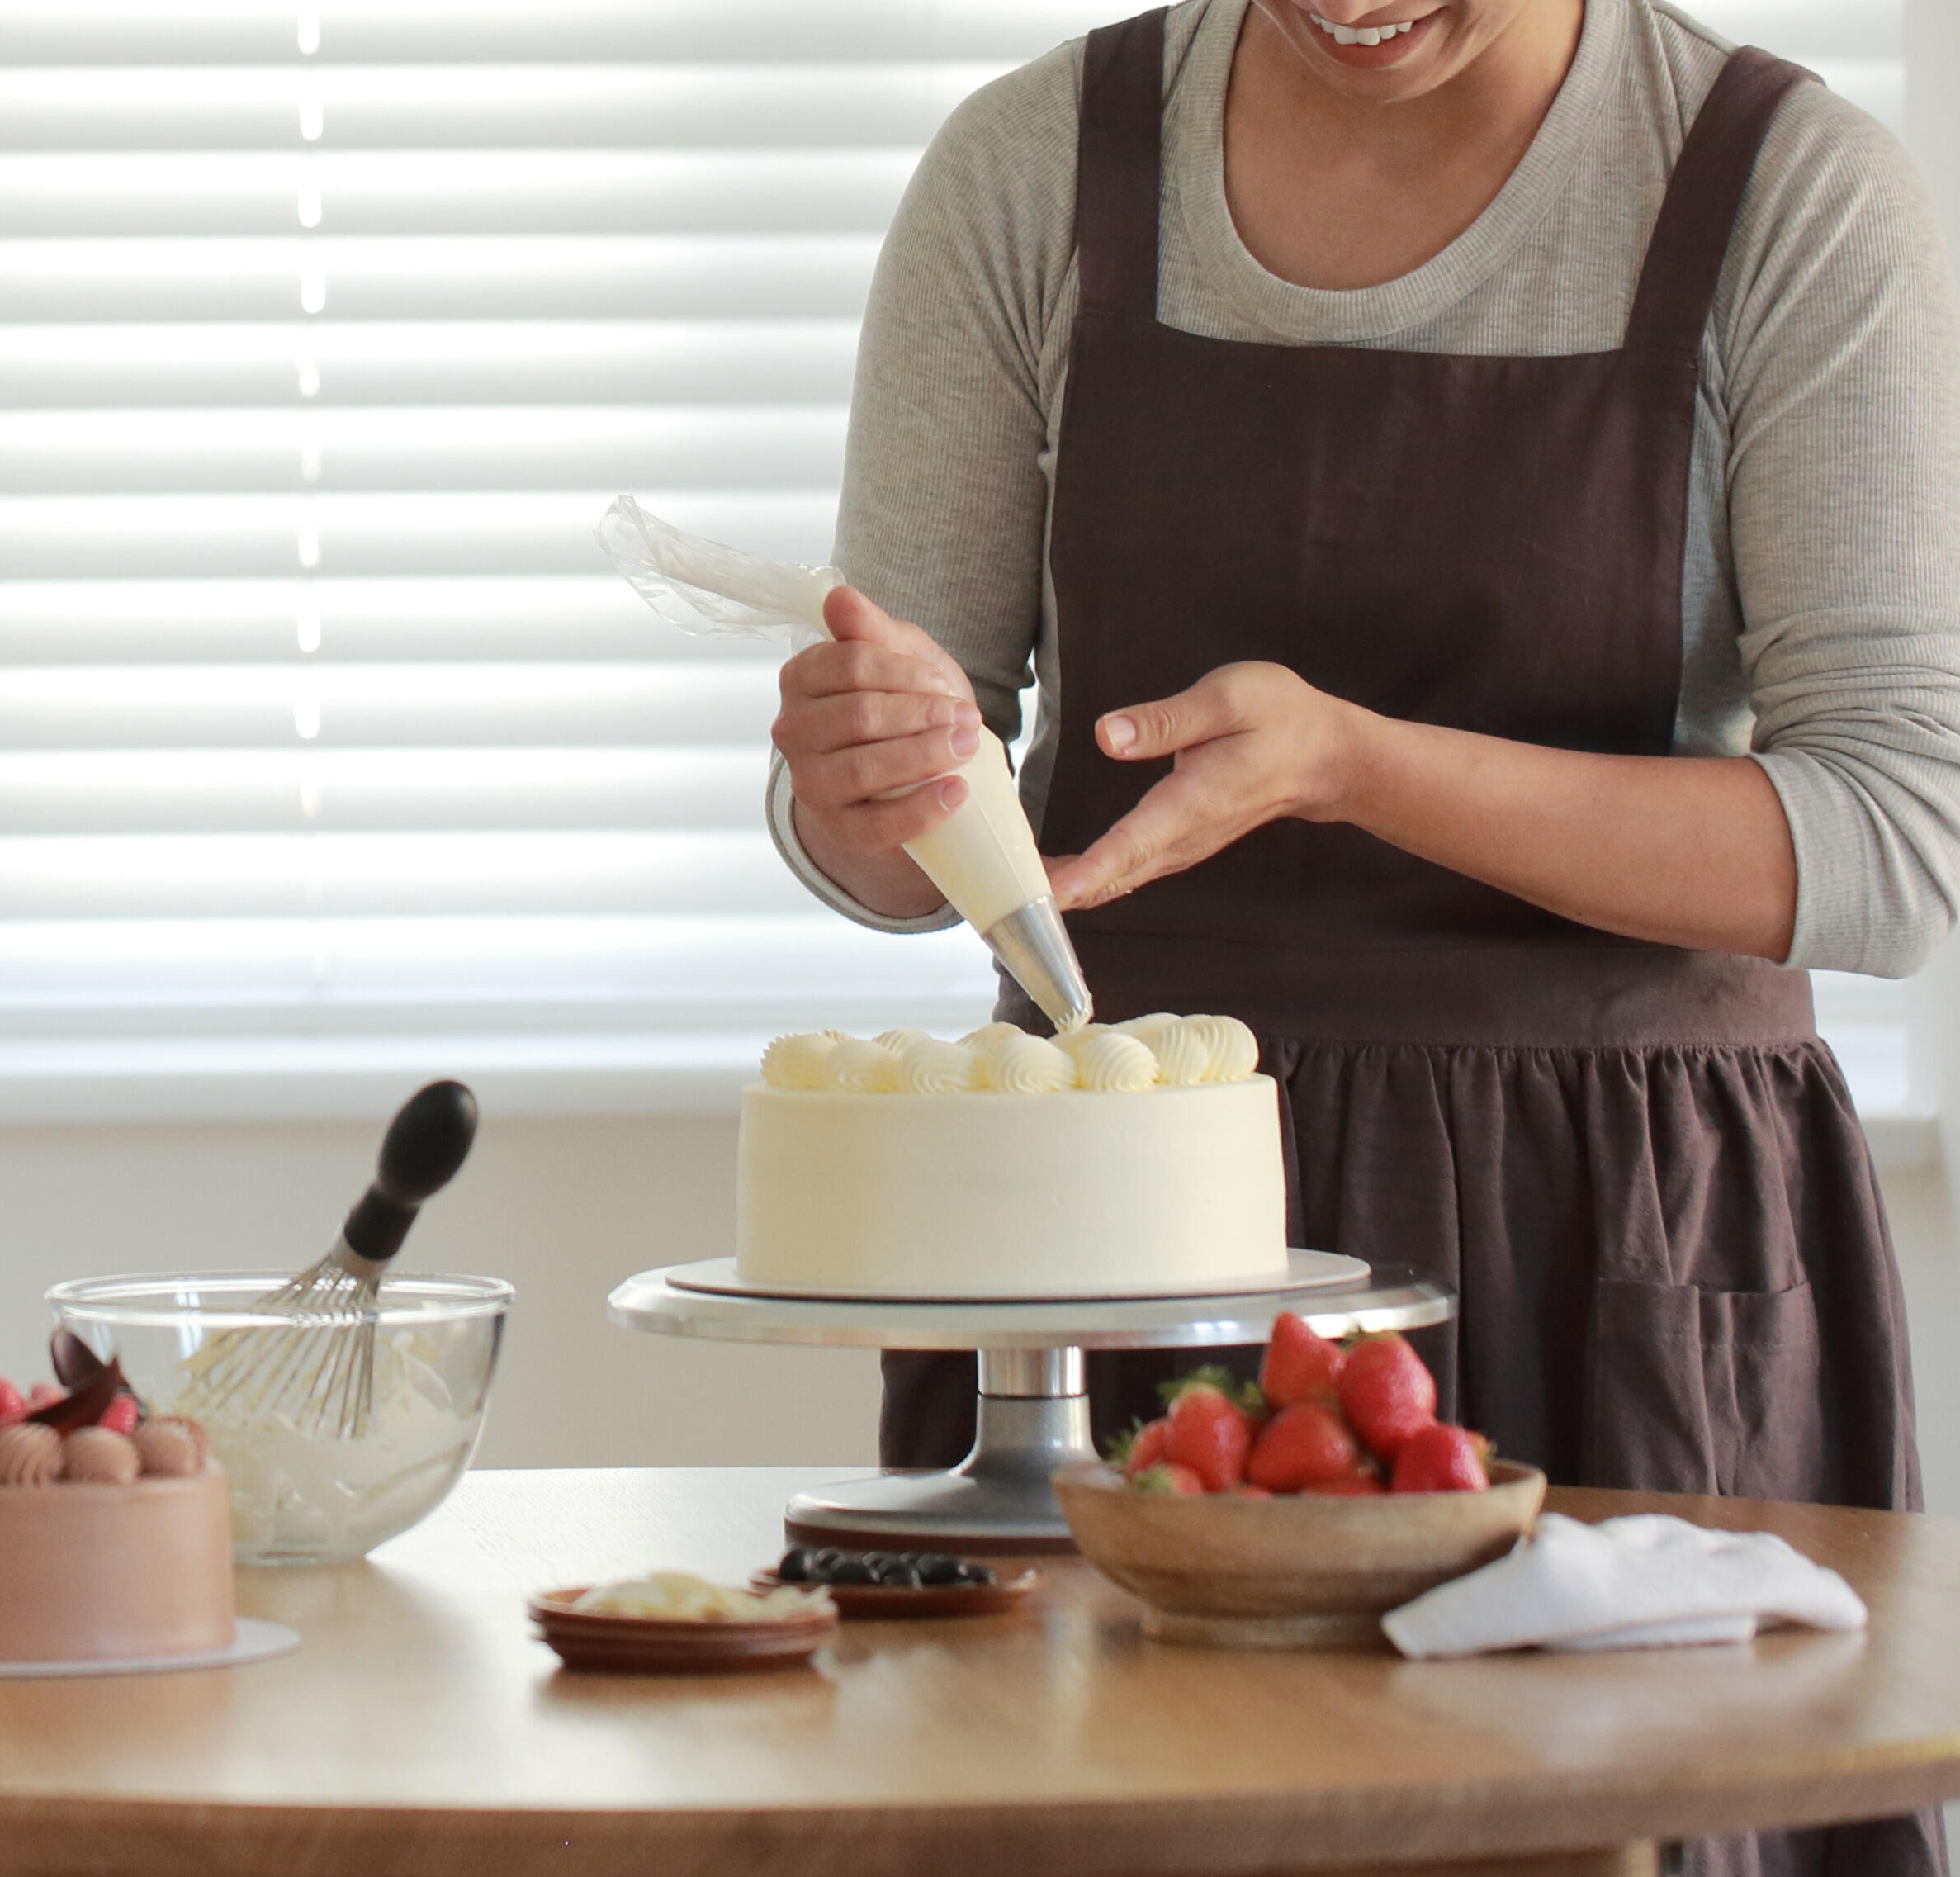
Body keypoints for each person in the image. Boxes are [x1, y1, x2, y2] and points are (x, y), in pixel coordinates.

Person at [767, 2, 1960, 1871]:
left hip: (1622, 1231)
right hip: (1117, 1243)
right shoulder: (1031, 174)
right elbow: (912, 832)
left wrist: (1362, 768)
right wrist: (855, 791)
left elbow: (1902, 842)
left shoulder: (1783, 192)